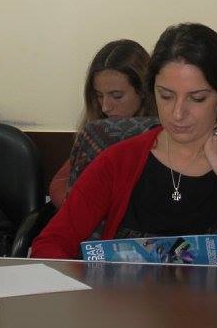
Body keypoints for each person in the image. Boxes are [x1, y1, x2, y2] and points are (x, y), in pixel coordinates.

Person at [32, 23, 217, 265]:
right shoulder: (119, 160)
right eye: (166, 96)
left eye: (197, 98)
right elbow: (50, 243)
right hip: (124, 298)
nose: (177, 113)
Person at [47, 39, 155, 207]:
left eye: (117, 96)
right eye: (99, 95)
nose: (105, 106)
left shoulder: (163, 134)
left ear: (143, 91)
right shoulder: (97, 132)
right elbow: (59, 185)